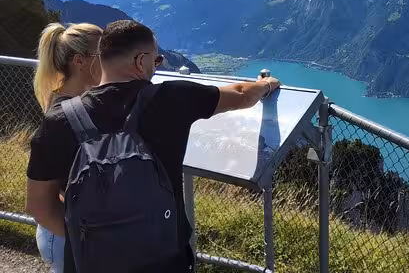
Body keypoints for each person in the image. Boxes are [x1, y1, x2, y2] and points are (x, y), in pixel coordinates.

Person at [26, 20, 280, 272]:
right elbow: (241, 94)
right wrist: (266, 85)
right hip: (165, 260)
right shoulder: (171, 98)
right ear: (140, 61)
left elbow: (40, 207)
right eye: (155, 61)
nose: (156, 68)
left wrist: (95, 240)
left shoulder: (59, 119)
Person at [30, 22, 103, 273]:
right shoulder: (61, 117)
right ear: (80, 61)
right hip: (62, 235)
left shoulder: (73, 100)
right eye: (103, 54)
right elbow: (41, 206)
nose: (111, 59)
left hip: (69, 228)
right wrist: (86, 240)